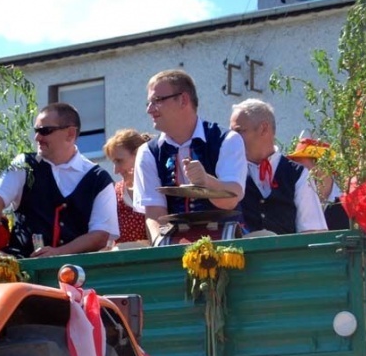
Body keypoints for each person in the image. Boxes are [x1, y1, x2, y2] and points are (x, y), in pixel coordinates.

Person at [0, 102, 118, 258]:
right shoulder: (24, 164)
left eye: (45, 131)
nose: (37, 137)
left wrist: (59, 253)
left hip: (75, 275)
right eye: (36, 130)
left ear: (70, 134)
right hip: (22, 269)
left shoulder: (99, 179)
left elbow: (100, 235)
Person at [133, 69, 246, 243]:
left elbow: (231, 200)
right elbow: (155, 213)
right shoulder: (147, 153)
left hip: (227, 247)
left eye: (157, 100)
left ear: (183, 100)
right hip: (175, 247)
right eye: (148, 103)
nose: (149, 109)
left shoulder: (227, 139)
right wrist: (164, 248)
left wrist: (206, 182)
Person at [229, 99, 327, 234]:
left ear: (264, 128)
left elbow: (313, 232)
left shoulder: (297, 174)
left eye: (239, 131)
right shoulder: (230, 173)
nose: (232, 138)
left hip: (288, 255)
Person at [286, 137, 349, 230]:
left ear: (323, 166)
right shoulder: (290, 200)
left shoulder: (348, 201)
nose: (298, 172)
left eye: (301, 167)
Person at [103, 129, 150, 243]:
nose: (115, 170)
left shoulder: (159, 188)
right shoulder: (114, 193)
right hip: (122, 259)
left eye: (119, 161)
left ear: (139, 154)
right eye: (114, 162)